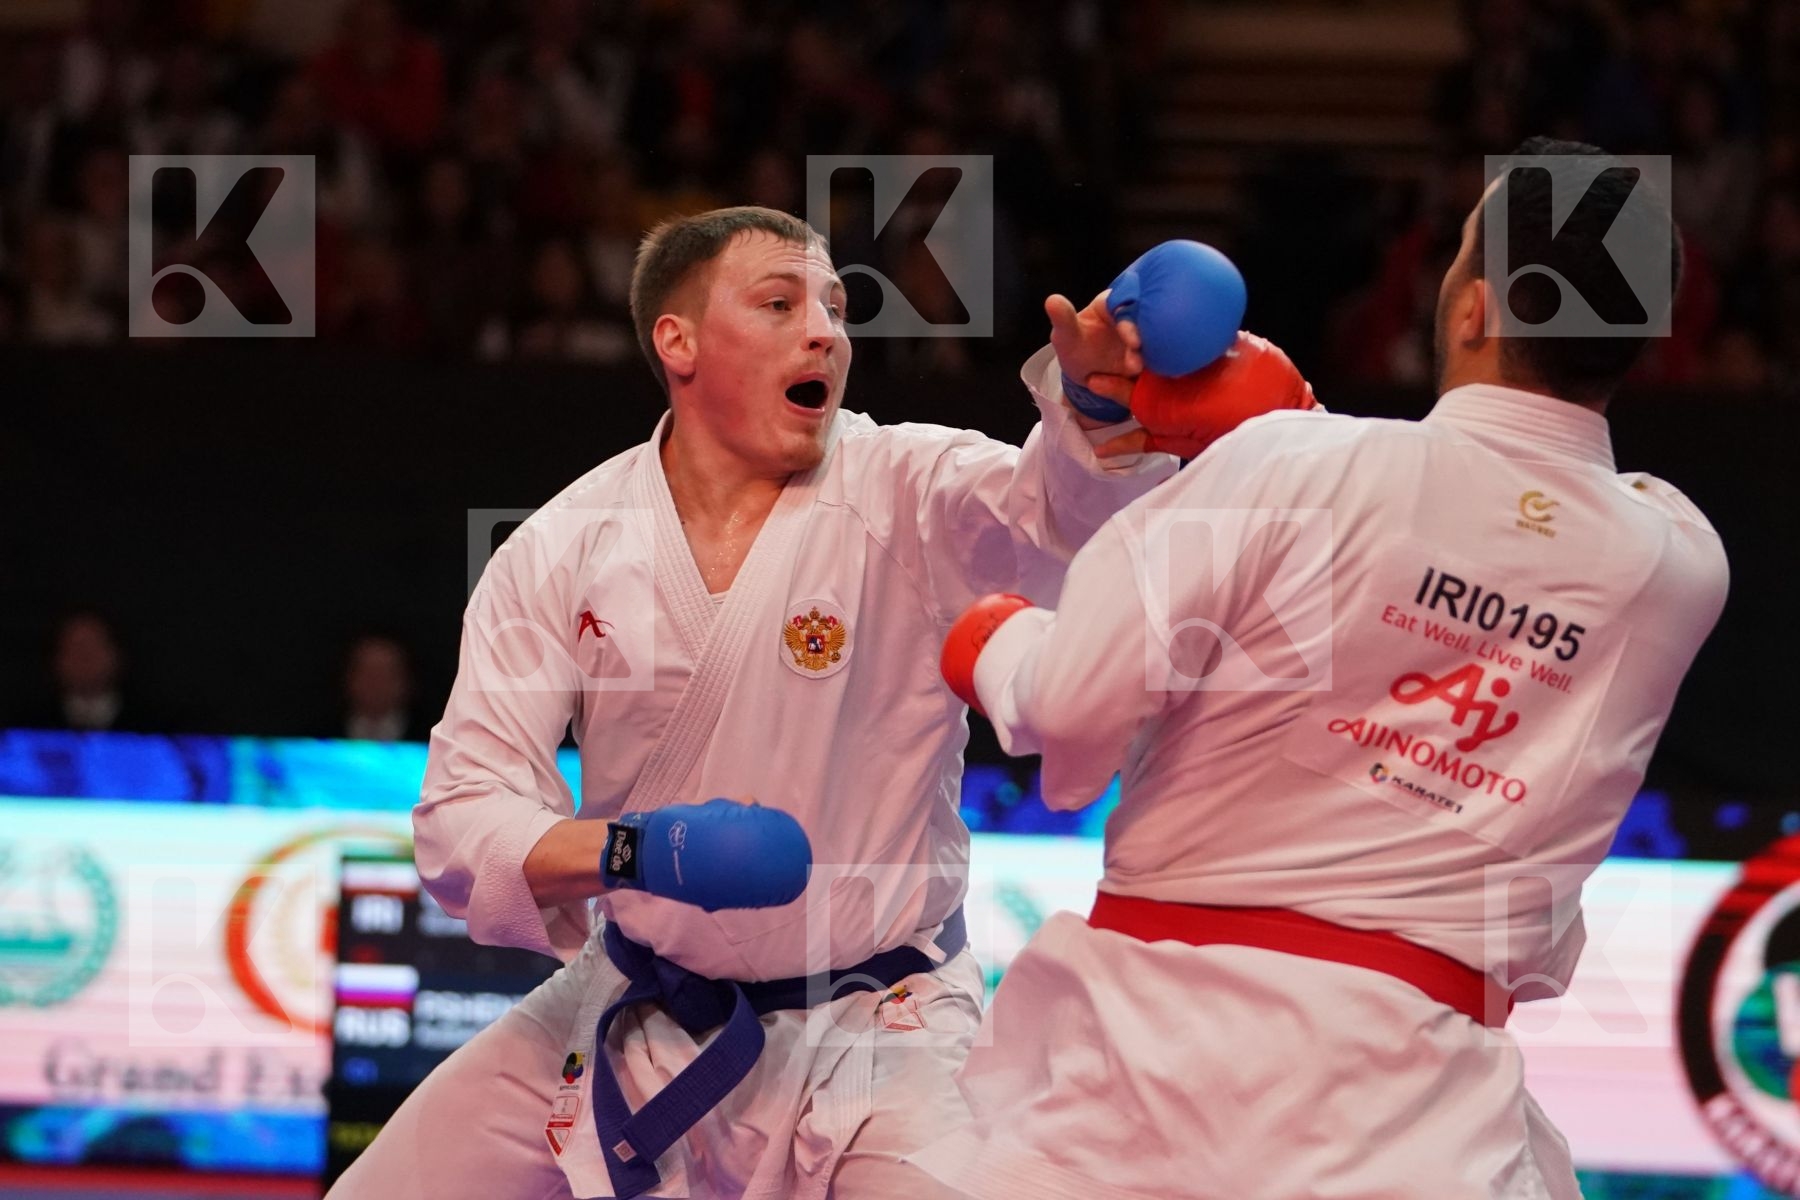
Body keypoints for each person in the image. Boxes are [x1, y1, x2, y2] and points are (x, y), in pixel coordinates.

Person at [920, 138, 1728, 1198]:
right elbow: (1474, 526)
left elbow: (1071, 706)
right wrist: (1280, 433)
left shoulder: (1296, 466)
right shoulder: (1675, 562)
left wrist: (996, 640)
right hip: (1422, 1128)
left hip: (1139, 1092)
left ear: (1475, 308)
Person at [329, 204, 1184, 1200]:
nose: (823, 329)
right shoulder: (563, 547)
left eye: (832, 306)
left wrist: (1099, 414)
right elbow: (460, 821)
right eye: (779, 303)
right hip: (636, 1004)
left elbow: (1057, 523)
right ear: (677, 341)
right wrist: (637, 850)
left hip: (880, 1028)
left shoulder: (908, 489)